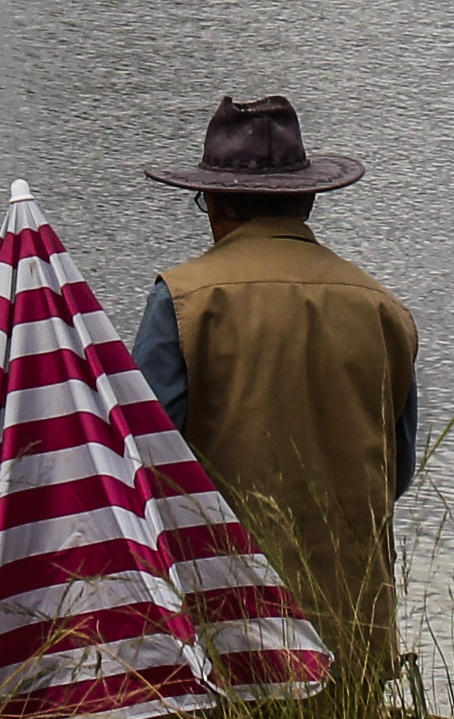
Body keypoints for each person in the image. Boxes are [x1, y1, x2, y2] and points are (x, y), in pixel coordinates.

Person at [129, 93, 419, 681]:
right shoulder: (384, 310)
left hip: (221, 639)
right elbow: (399, 472)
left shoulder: (183, 303)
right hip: (353, 635)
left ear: (213, 202)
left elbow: (138, 466)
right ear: (308, 201)